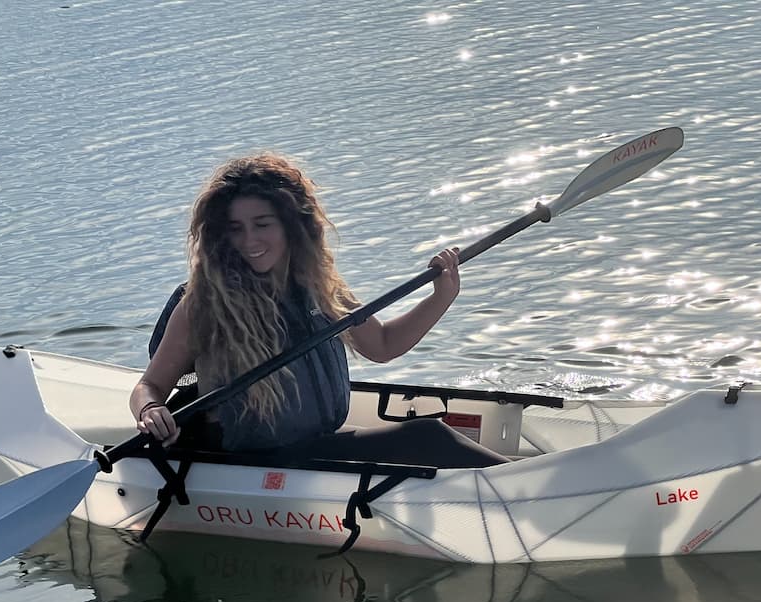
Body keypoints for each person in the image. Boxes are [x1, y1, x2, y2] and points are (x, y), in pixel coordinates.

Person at [129, 153, 508, 469]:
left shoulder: (318, 285)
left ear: (294, 224)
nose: (249, 241)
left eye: (262, 224)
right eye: (236, 229)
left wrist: (441, 296)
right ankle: (527, 484)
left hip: (317, 444)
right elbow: (150, 385)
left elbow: (383, 344)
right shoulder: (203, 303)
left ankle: (521, 482)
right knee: (427, 436)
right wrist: (149, 410)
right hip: (256, 461)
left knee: (426, 436)